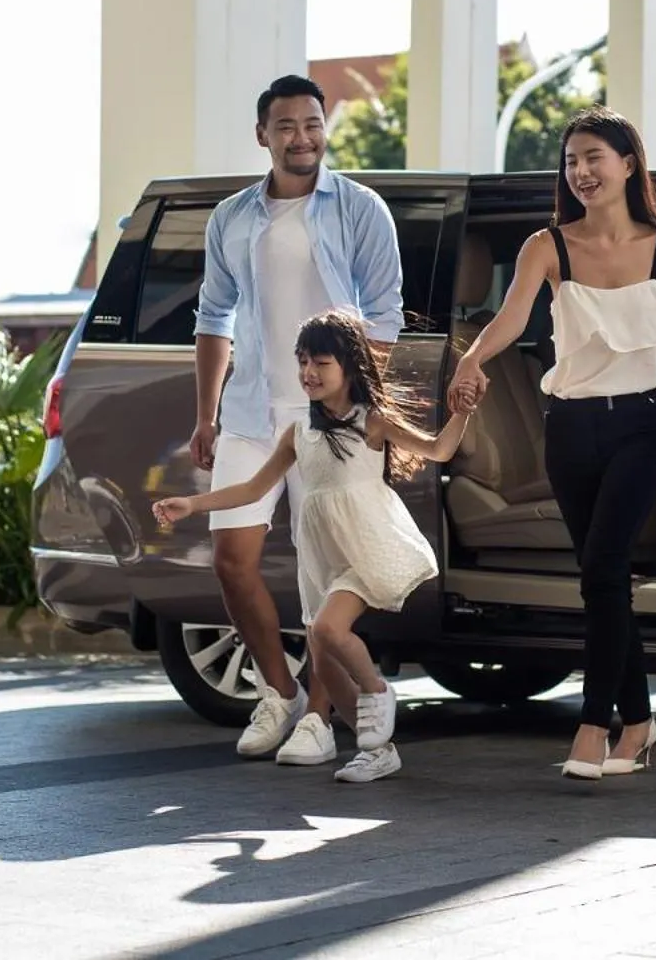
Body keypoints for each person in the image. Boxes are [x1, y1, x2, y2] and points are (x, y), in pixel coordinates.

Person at [446, 106, 656, 781]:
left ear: (629, 162)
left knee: (602, 568)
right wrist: (471, 359)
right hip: (568, 427)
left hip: (642, 426)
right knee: (604, 581)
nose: (582, 171)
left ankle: (595, 724)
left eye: (594, 156)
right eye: (572, 161)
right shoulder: (549, 245)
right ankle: (643, 720)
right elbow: (511, 318)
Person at [191, 75, 404, 763]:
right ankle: (278, 692)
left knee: (325, 575)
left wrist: (359, 407)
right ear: (263, 135)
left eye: (312, 124)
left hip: (328, 418)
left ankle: (319, 714)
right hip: (252, 407)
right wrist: (206, 414)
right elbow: (213, 318)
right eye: (286, 126)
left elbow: (386, 316)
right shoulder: (232, 217)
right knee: (231, 559)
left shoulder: (361, 208)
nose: (302, 137)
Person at [155, 310, 464, 784]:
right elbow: (253, 490)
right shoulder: (300, 434)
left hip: (367, 547)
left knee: (329, 629)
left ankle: (378, 692)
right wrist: (192, 505)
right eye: (302, 362)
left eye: (320, 362)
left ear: (350, 366)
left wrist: (464, 409)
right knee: (320, 642)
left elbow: (439, 450)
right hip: (325, 559)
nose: (308, 373)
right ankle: (378, 750)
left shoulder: (372, 423)